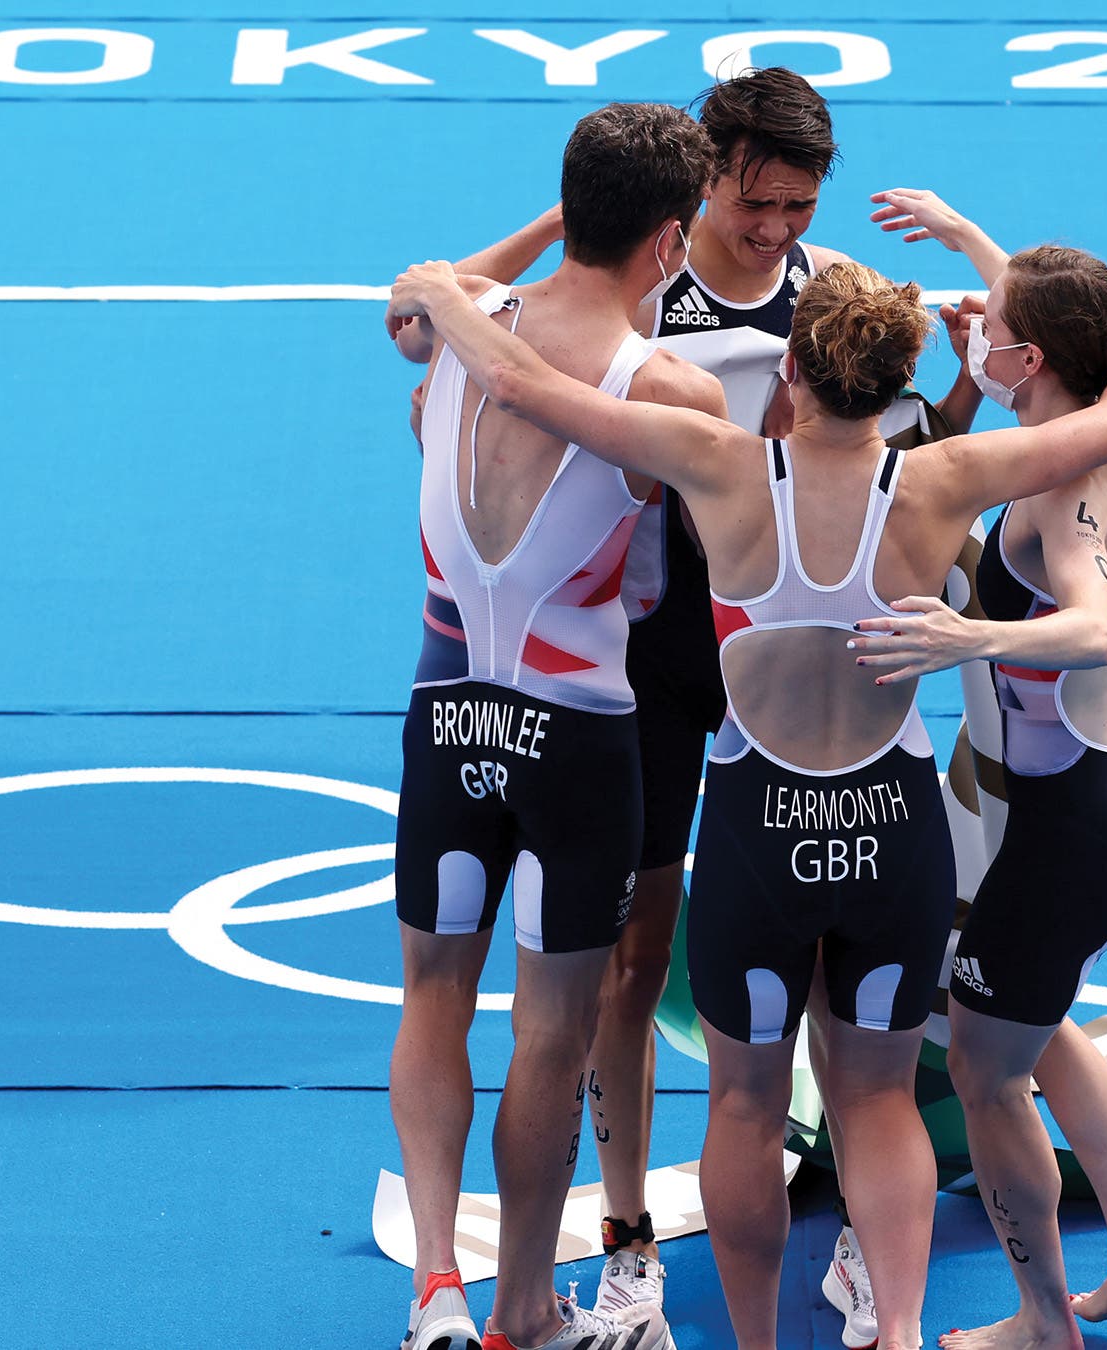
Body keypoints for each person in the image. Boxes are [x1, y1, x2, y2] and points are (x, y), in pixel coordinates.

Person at [389, 255, 1107, 1350]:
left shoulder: (718, 465)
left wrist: (454, 301)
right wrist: (1085, 343)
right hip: (894, 836)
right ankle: (897, 1332)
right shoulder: (951, 476)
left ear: (790, 372)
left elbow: (524, 386)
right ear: (903, 378)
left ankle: (756, 1345)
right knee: (878, 1101)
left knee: (746, 1111)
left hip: (759, 833)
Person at [389, 68, 970, 1341]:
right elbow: (512, 358)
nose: (775, 231)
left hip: (789, 651)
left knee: (834, 947)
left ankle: (867, 1222)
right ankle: (626, 1230)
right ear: (700, 186)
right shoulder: (650, 303)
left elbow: (914, 463)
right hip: (642, 662)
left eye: (797, 208)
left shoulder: (835, 307)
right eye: (755, 204)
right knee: (631, 962)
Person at [388, 101, 722, 1350]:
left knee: (430, 994)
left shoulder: (449, 347)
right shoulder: (670, 385)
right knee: (553, 1027)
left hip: (443, 714)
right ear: (671, 242)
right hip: (578, 736)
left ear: (568, 213)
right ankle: (525, 1305)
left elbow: (421, 306)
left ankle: (436, 1287)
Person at [853, 191, 1107, 1350]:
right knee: (1035, 1023)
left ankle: (1045, 1323)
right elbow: (1086, 338)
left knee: (984, 1067)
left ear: (1031, 358)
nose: (970, 331)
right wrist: (969, 241)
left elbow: (1091, 626)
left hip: (1069, 827)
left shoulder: (1052, 499)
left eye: (985, 326)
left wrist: (969, 638)